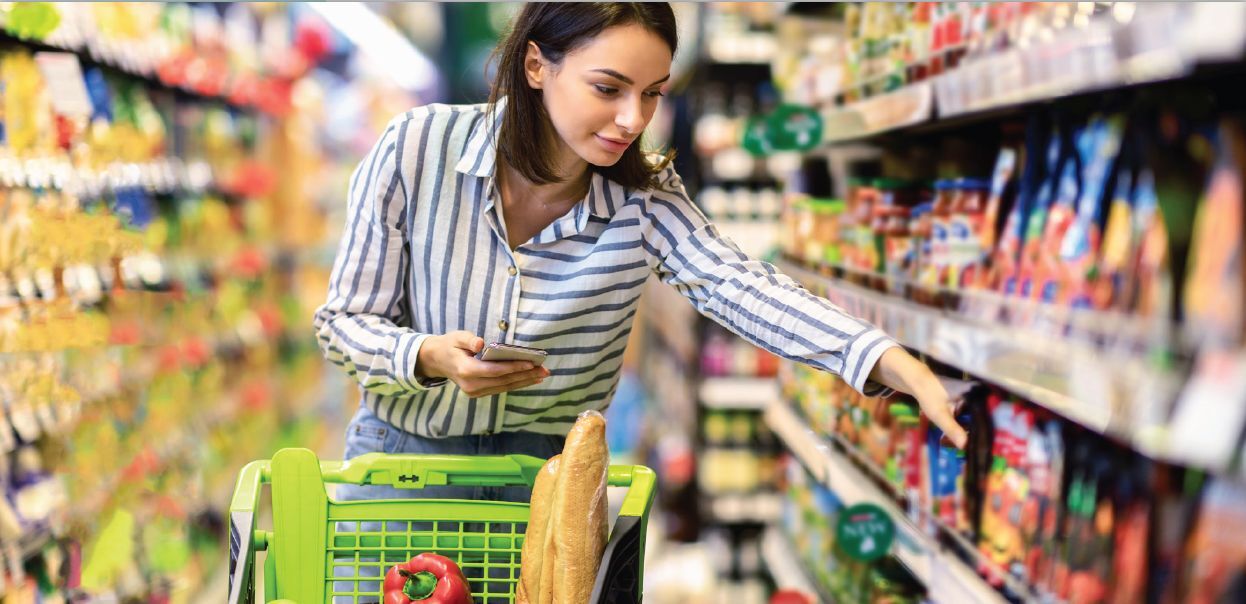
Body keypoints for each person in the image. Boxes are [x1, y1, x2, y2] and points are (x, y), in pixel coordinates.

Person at [315, 2, 967, 506]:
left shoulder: (645, 196)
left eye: (653, 93)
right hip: (404, 472)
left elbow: (741, 286)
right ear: (537, 66)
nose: (633, 119)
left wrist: (886, 360)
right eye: (609, 88)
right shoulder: (417, 148)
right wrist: (426, 356)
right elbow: (343, 322)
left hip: (552, 491)